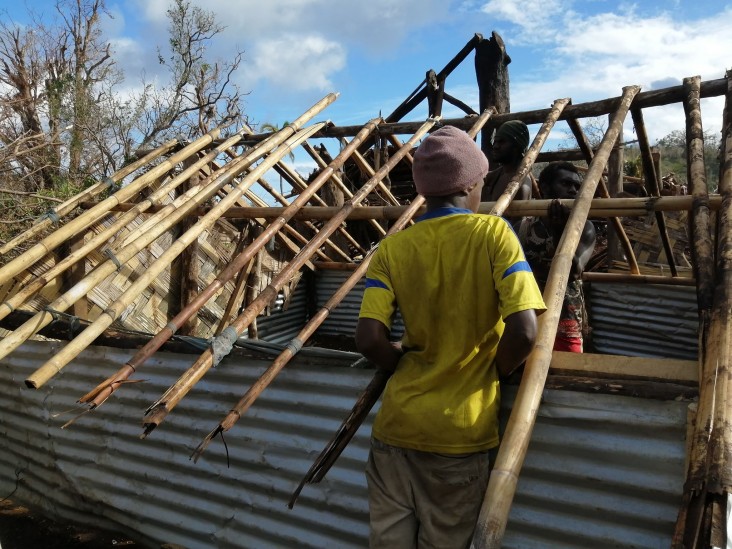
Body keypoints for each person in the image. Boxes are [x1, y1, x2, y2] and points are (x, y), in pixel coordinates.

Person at [355, 125, 546, 548]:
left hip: (395, 427)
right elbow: (525, 331)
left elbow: (369, 339)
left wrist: (402, 364)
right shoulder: (494, 234)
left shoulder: (393, 249)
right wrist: (489, 370)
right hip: (459, 435)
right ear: (474, 182)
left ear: (425, 189)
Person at [518, 161, 596, 353]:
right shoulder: (524, 226)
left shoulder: (583, 227)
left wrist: (559, 231)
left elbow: (575, 270)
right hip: (527, 317)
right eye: (566, 184)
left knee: (564, 375)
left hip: (565, 319)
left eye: (577, 187)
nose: (573, 190)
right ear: (544, 187)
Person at [481, 120, 533, 227]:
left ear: (516, 146)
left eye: (502, 142)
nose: (495, 146)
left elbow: (516, 228)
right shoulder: (498, 174)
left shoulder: (520, 186)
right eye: (495, 142)